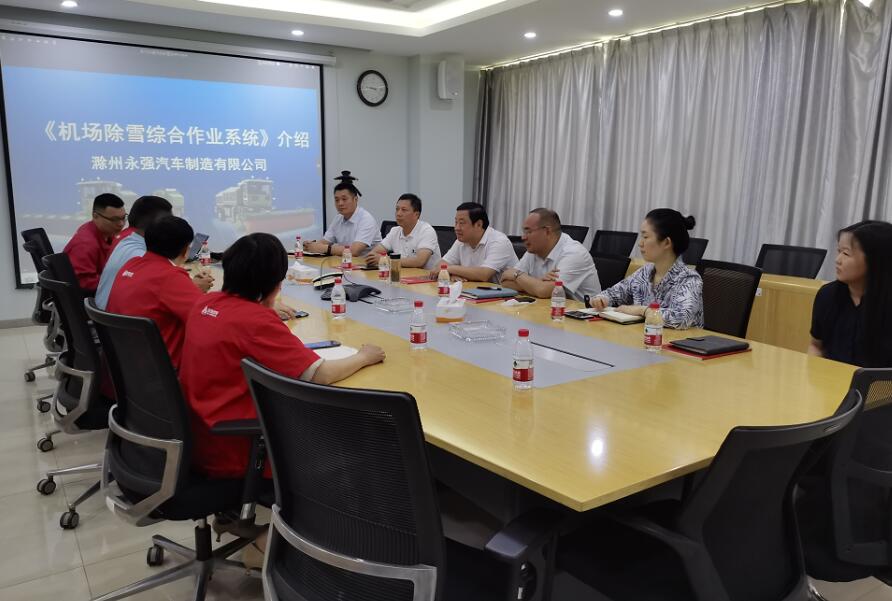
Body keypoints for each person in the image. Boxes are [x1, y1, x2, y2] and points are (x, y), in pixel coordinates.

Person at [180, 233, 386, 481]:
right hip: (241, 451)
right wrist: (365, 356)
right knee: (367, 431)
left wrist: (262, 304)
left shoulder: (205, 304)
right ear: (276, 283)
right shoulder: (255, 321)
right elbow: (320, 375)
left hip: (202, 436)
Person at [106, 216, 209, 370]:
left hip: (124, 364)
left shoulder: (131, 264)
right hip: (162, 372)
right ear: (185, 250)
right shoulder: (170, 277)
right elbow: (207, 320)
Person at [587, 209, 703, 329]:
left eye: (645, 237)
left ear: (666, 243)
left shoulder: (689, 279)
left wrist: (642, 310)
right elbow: (613, 293)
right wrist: (602, 299)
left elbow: (681, 318)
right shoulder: (644, 272)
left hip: (674, 340)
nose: (640, 243)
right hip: (642, 336)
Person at [96, 196, 214, 309]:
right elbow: (164, 286)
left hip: (110, 314)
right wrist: (194, 286)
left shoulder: (127, 239)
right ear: (157, 225)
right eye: (168, 221)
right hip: (118, 318)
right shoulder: (139, 257)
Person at [808, 220, 892, 367]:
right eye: (839, 251)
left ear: (874, 260)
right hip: (831, 378)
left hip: (878, 382)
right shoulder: (827, 295)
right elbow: (816, 345)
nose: (838, 260)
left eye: (846, 253)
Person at [500, 208, 600, 301]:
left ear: (547, 231)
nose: (523, 237)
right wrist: (537, 282)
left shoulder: (574, 253)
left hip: (583, 312)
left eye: (529, 231)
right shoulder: (534, 250)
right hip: (548, 308)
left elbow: (544, 291)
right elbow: (505, 282)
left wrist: (517, 275)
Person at [303, 171, 381, 257]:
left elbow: (354, 251)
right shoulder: (338, 218)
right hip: (344, 263)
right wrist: (312, 245)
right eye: (337, 200)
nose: (340, 203)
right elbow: (325, 242)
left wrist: (324, 248)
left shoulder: (366, 219)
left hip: (366, 264)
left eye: (344, 199)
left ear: (355, 199)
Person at [435, 202, 516, 283]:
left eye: (462, 223)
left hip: (503, 290)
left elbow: (484, 274)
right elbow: (440, 265)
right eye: (456, 222)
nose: (457, 228)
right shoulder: (462, 241)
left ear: (478, 224)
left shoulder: (499, 241)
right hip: (475, 289)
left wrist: (450, 269)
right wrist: (452, 274)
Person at [63, 193, 126, 294]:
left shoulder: (106, 233)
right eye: (114, 219)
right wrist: (121, 283)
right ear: (95, 216)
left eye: (123, 218)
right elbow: (84, 283)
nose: (121, 224)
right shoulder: (85, 244)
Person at [365, 193, 441, 270]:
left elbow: (419, 261)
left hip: (426, 276)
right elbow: (373, 253)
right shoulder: (395, 231)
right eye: (397, 209)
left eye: (404, 210)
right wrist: (373, 258)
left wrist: (386, 260)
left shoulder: (426, 231)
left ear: (416, 214)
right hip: (402, 275)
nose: (398, 214)